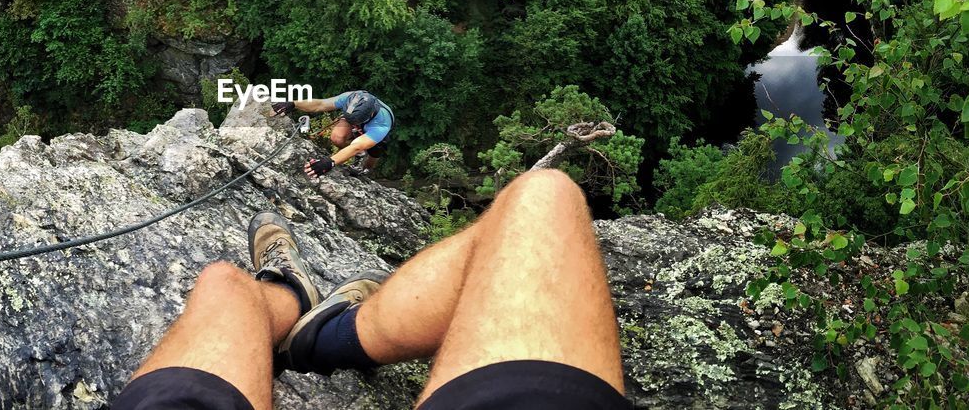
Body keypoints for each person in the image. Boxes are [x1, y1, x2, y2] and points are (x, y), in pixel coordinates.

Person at [113, 169, 633, 410]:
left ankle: (292, 297)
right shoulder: (356, 108)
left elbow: (357, 135)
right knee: (544, 199)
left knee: (223, 284)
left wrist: (334, 158)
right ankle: (322, 331)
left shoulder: (365, 119)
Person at [271, 90, 395, 178]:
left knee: (374, 152)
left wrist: (329, 162)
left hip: (372, 127)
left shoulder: (381, 124)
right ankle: (358, 155)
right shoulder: (352, 98)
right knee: (337, 137)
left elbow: (357, 146)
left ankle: (366, 169)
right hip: (353, 117)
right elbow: (320, 104)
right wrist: (294, 103)